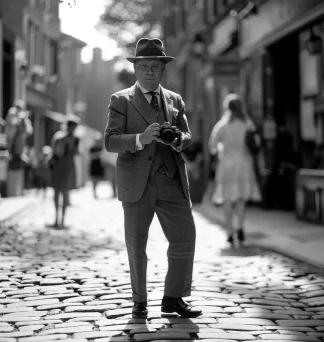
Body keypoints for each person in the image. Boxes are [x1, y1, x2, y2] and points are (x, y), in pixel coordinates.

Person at [104, 38, 202, 319]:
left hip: (171, 178)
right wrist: (140, 138)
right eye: (144, 66)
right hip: (138, 182)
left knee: (185, 237)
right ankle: (140, 301)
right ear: (135, 68)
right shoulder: (120, 100)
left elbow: (186, 134)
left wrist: (178, 141)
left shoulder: (174, 100)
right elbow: (110, 141)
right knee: (137, 243)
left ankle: (173, 297)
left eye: (155, 67)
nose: (150, 72)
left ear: (163, 69)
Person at [209, 93, 261, 247]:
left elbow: (212, 146)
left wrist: (220, 149)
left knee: (227, 198)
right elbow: (256, 144)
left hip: (226, 164)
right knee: (240, 198)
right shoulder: (247, 124)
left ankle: (230, 232)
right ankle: (240, 228)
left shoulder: (222, 126)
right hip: (244, 164)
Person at [49, 117, 80, 229]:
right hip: (59, 166)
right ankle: (57, 219)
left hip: (67, 167)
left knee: (64, 193)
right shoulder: (59, 137)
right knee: (57, 192)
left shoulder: (76, 139)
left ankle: (62, 220)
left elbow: (76, 152)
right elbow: (54, 152)